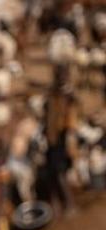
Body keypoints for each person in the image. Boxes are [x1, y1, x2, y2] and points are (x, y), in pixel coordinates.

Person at [42, 65, 79, 217]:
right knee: (51, 172)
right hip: (52, 138)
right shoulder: (52, 94)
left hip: (62, 137)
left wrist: (71, 141)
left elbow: (71, 121)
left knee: (59, 172)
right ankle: (55, 205)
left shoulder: (68, 96)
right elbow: (46, 113)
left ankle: (69, 204)